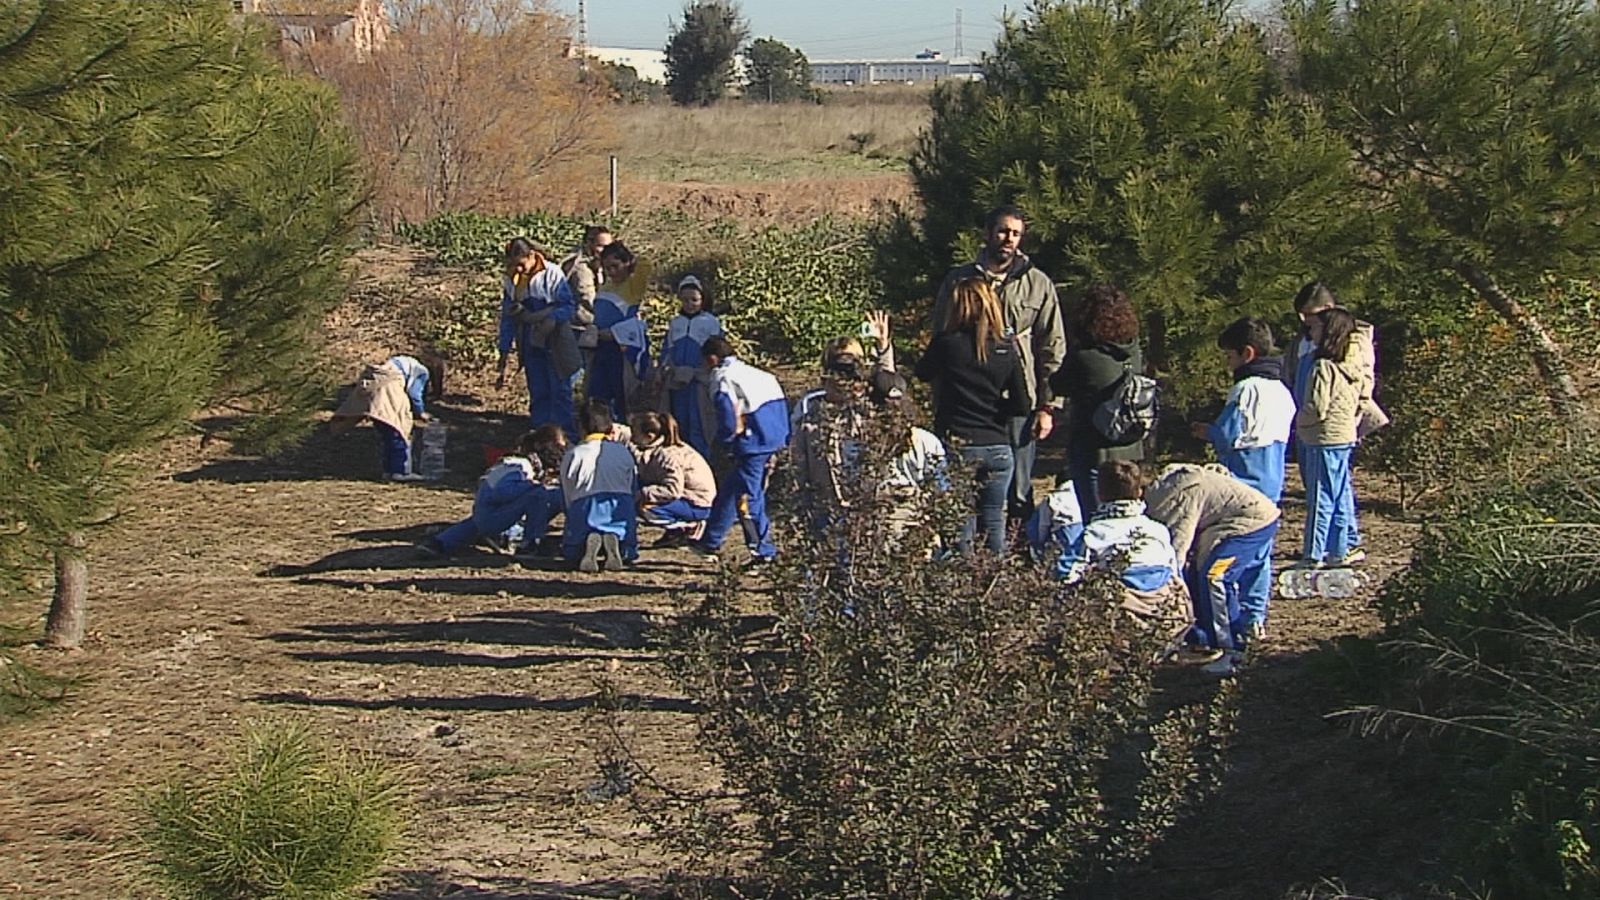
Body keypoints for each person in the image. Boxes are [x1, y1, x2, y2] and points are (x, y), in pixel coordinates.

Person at [933, 205, 1066, 524]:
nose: (1009, 239)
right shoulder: (959, 280)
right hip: (967, 403)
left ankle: (1017, 561)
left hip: (1021, 400)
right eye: (1004, 231)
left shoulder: (1037, 284)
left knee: (1018, 488)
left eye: (1016, 234)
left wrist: (1048, 406)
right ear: (988, 233)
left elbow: (1053, 346)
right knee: (962, 493)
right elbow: (940, 341)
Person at [915, 275, 1030, 554]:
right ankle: (995, 584)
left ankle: (963, 584)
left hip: (958, 442)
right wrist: (995, 409)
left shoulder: (947, 344)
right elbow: (1022, 404)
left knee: (961, 526)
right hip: (997, 443)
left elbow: (922, 373)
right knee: (994, 523)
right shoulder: (1005, 348)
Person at [794, 337, 946, 534]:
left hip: (868, 517)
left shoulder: (864, 426)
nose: (847, 378)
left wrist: (883, 350)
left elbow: (887, 387)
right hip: (839, 512)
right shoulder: (814, 418)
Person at [1144, 462, 1282, 676]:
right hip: (1226, 523)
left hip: (1251, 522)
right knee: (1197, 574)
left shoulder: (1175, 497)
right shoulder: (1170, 488)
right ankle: (1202, 639)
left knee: (1215, 577)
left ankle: (1233, 651)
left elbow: (1176, 555)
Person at [1284, 281, 1387, 562]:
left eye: (1312, 315)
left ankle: (1330, 548)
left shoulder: (1348, 345)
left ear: (1329, 312)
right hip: (1316, 428)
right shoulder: (1305, 341)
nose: (1307, 322)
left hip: (1327, 428)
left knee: (1327, 493)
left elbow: (1362, 386)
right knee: (1327, 488)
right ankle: (1336, 547)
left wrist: (1351, 420)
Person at [690, 336, 791, 563]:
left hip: (752, 442)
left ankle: (762, 551)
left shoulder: (722, 377)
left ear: (711, 359)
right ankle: (711, 540)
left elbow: (727, 415)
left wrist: (725, 440)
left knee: (748, 497)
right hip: (773, 435)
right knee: (731, 489)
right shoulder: (761, 374)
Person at [1055, 461, 1187, 628]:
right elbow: (1176, 574)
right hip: (1168, 617)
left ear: (1100, 494)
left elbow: (1065, 576)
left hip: (1118, 619)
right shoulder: (1159, 530)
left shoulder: (1094, 533)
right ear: (1140, 491)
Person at [1052, 284, 1146, 517]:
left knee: (1095, 520)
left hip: (1093, 450)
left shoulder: (1084, 357)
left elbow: (1058, 384)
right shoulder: (1133, 352)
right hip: (1130, 449)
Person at [1190, 317, 1297, 502]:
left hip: (1242, 481)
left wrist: (1206, 431)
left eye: (1230, 356)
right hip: (1272, 482)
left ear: (1247, 354)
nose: (1228, 364)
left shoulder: (1245, 389)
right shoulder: (1282, 390)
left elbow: (1226, 435)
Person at [423, 426, 567, 557]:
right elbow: (501, 492)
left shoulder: (514, 462)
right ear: (539, 445)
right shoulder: (519, 466)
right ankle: (529, 545)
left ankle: (441, 542)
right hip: (493, 518)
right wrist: (534, 485)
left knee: (476, 523)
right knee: (542, 495)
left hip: (485, 516)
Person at [1294, 307, 1363, 569]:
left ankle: (1313, 554)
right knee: (1340, 494)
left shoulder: (1323, 366)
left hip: (1322, 438)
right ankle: (1339, 549)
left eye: (1316, 328)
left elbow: (1316, 408)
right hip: (1344, 435)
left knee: (1321, 497)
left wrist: (1296, 421)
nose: (1311, 332)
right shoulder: (1351, 364)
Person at [497, 237, 580, 435]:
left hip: (555, 337)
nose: (518, 269)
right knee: (538, 387)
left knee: (559, 388)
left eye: (521, 264)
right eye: (513, 265)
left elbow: (568, 306)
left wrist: (551, 318)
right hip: (528, 337)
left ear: (532, 256)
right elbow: (507, 317)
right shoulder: (512, 280)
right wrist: (504, 350)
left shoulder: (551, 274)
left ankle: (564, 432)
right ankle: (540, 431)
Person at [331, 353, 443, 481]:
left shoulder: (401, 362)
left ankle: (388, 470)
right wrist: (421, 412)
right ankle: (399, 471)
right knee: (398, 433)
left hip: (374, 398)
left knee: (387, 435)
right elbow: (414, 394)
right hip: (388, 395)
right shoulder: (421, 371)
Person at [560, 401, 639, 572]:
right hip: (620, 508)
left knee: (571, 552)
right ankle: (617, 543)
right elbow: (632, 484)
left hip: (586, 507)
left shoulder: (573, 454)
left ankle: (588, 542)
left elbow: (568, 492)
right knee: (629, 549)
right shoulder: (623, 452)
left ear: (580, 427)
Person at [658, 274, 723, 458]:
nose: (689, 304)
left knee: (700, 423)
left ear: (702, 300)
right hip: (678, 381)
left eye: (694, 300)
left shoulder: (710, 322)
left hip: (698, 381)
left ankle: (703, 461)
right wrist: (663, 371)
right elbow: (667, 349)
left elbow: (717, 349)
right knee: (679, 421)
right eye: (685, 300)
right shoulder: (675, 323)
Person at [588, 242, 652, 420]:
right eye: (607, 268)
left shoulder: (632, 285)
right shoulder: (606, 286)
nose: (612, 272)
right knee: (598, 394)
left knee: (622, 394)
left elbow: (645, 264)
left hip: (621, 349)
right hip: (600, 347)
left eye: (615, 266)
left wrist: (625, 256)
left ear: (627, 264)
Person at [632, 411, 716, 547]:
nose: (632, 437)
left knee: (645, 506)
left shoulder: (668, 456)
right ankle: (675, 531)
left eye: (635, 433)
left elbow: (673, 490)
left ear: (649, 436)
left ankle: (686, 527)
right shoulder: (657, 449)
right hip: (686, 498)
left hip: (697, 504)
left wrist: (643, 493)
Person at [561, 224, 614, 331]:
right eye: (601, 246)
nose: (606, 251)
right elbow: (588, 300)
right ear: (588, 245)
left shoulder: (602, 266)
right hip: (579, 328)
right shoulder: (581, 269)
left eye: (609, 247)